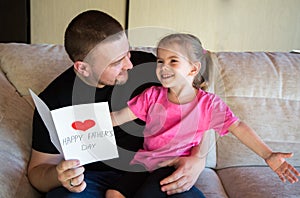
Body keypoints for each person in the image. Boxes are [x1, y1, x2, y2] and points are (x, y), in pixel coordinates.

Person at [27, 10, 206, 198]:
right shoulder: (55, 100)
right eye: (117, 62)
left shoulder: (151, 69)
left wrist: (198, 159)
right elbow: (37, 170)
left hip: (154, 174)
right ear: (83, 68)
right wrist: (59, 175)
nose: (129, 64)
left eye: (127, 53)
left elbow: (202, 106)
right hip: (91, 180)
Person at [105, 33, 300, 198]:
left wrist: (268, 154)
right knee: (112, 193)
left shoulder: (208, 104)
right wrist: (85, 124)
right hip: (143, 163)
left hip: (174, 165)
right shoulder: (151, 96)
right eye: (160, 61)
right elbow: (117, 117)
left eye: (173, 61)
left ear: (193, 68)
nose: (163, 67)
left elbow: (238, 127)